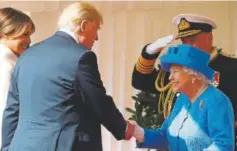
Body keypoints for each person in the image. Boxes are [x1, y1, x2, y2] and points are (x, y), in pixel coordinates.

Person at [1, 2, 134, 151]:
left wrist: (6, 148)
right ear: (83, 25)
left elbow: (12, 109)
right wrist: (125, 129)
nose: (96, 37)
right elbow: (98, 101)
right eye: (96, 29)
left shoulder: (26, 56)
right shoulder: (82, 56)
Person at [132, 14, 237, 143]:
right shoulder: (177, 69)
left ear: (209, 37)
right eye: (184, 41)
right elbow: (140, 81)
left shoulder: (232, 67)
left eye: (192, 39)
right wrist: (149, 52)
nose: (187, 45)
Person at [0, 7, 35, 147]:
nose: (29, 40)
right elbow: (5, 109)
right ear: (4, 34)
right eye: (24, 34)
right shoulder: (5, 65)